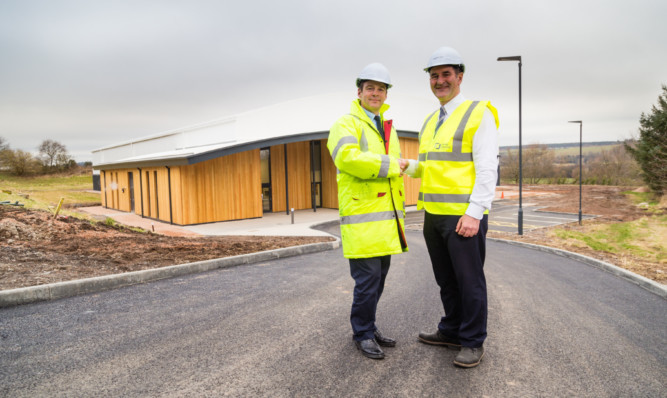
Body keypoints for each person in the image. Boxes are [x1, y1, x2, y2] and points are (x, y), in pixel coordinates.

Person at [404, 47, 499, 368]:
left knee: (469, 281)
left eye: (446, 74)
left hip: (464, 217)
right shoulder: (431, 120)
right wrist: (408, 165)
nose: (440, 81)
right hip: (434, 216)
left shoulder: (478, 112)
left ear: (459, 77)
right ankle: (451, 330)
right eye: (434, 76)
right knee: (446, 279)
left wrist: (475, 212)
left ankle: (473, 341)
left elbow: (487, 167)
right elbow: (433, 166)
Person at [327, 63, 409, 360]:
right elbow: (347, 159)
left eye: (381, 89)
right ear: (359, 92)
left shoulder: (386, 126)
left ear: (386, 94)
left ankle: (369, 326)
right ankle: (361, 333)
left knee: (379, 280)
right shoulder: (346, 123)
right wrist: (389, 166)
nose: (376, 93)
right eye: (370, 88)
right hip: (363, 221)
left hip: (384, 222)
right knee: (367, 282)